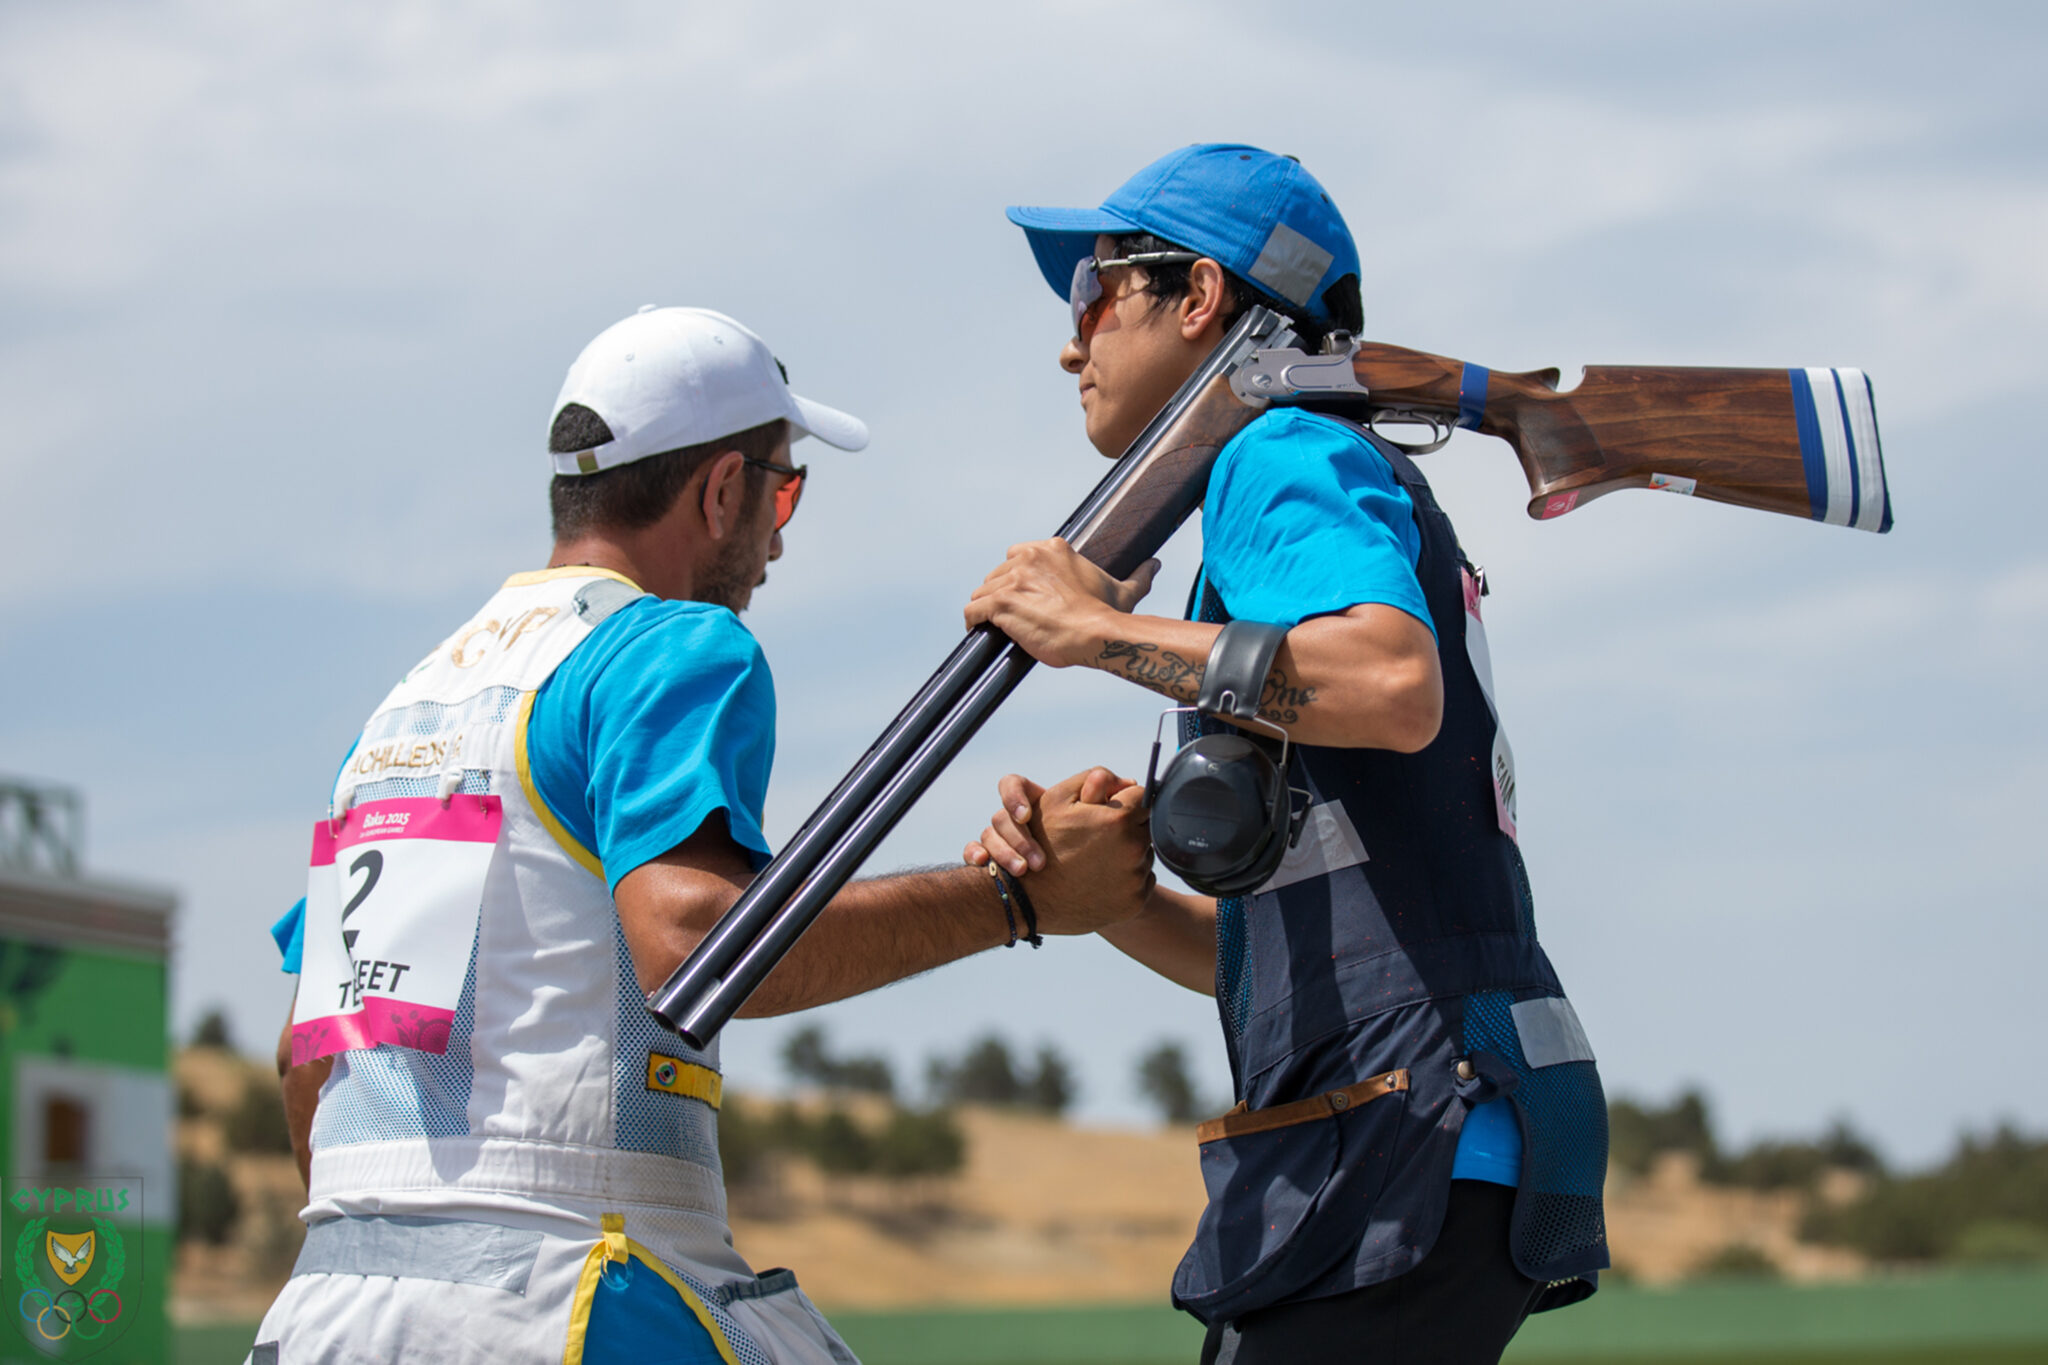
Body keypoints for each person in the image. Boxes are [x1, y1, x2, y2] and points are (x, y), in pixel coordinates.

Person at [253, 305, 1155, 1365]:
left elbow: (307, 1059)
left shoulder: (407, 712)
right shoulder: (672, 649)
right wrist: (1019, 902)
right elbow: (694, 947)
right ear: (719, 490)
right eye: (783, 488)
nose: (778, 534)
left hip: (331, 1309)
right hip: (568, 1297)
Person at [964, 145, 1610, 1364]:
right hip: (1417, 1127)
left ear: (1198, 297)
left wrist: (1096, 631)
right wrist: (1101, 902)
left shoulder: (1275, 453)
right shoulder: (1294, 496)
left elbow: (1389, 683)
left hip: (1406, 1136)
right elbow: (1276, 961)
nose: (1071, 340)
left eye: (1093, 293)